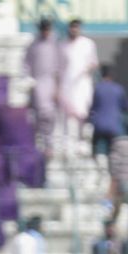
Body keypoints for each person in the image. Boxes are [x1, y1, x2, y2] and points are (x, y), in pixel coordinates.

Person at [59, 19, 98, 159]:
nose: (74, 30)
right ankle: (68, 145)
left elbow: (94, 63)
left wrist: (83, 72)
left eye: (77, 27)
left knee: (83, 114)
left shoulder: (87, 44)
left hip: (82, 85)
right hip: (67, 85)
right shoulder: (62, 45)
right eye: (72, 27)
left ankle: (82, 144)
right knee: (67, 116)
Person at [23, 19, 61, 158]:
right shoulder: (34, 45)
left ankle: (49, 146)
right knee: (38, 115)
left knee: (50, 116)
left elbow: (58, 68)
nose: (46, 32)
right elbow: (26, 65)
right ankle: (39, 145)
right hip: (37, 83)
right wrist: (28, 82)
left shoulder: (55, 44)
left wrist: (58, 88)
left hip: (51, 83)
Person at [89, 65, 127, 169]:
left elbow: (93, 107)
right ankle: (111, 170)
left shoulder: (98, 88)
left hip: (99, 125)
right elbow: (124, 106)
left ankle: (95, 166)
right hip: (114, 126)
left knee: (94, 146)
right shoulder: (119, 89)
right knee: (112, 150)